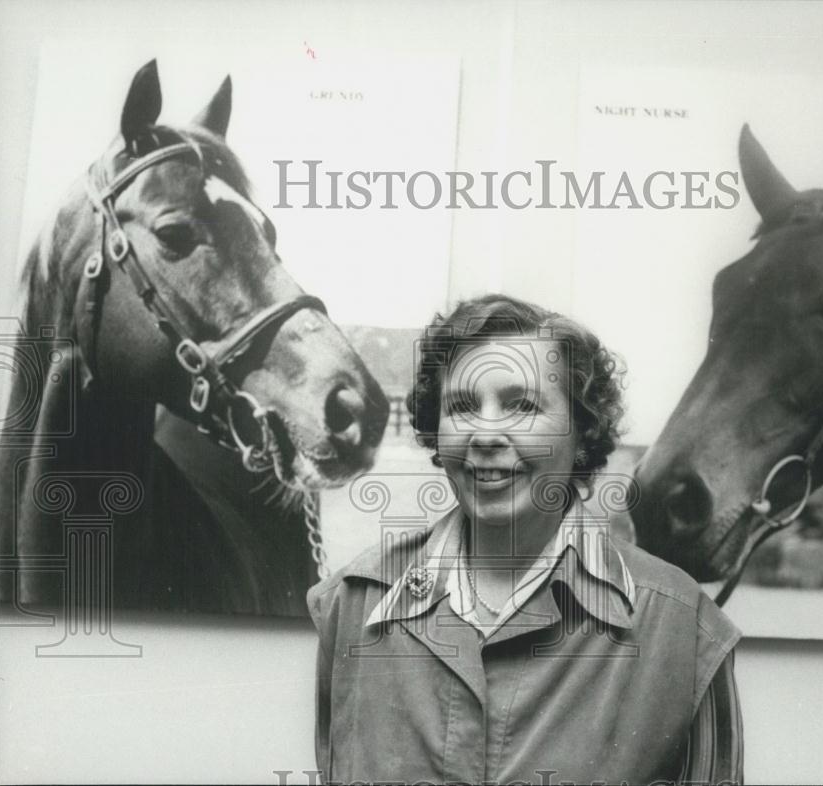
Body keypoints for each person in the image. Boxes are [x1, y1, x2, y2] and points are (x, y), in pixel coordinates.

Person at [307, 294, 743, 785]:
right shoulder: (354, 604)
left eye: (522, 406)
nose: (487, 434)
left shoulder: (682, 627)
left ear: (582, 433)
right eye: (463, 406)